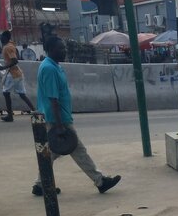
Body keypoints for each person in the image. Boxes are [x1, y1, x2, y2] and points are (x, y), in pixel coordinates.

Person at [34, 36, 120, 197]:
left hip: (59, 116)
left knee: (51, 152)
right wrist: (59, 125)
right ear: (50, 50)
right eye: (60, 48)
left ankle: (40, 184)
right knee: (78, 150)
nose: (64, 51)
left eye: (64, 48)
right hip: (57, 118)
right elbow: (53, 99)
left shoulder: (54, 66)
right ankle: (100, 181)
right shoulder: (49, 69)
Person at [0, 29, 34, 121]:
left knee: (6, 93)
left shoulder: (7, 47)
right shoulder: (11, 45)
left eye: (1, 37)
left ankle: (10, 115)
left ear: (5, 37)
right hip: (18, 73)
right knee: (22, 94)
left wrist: (3, 67)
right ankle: (36, 111)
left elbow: (14, 61)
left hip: (12, 74)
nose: (0, 38)